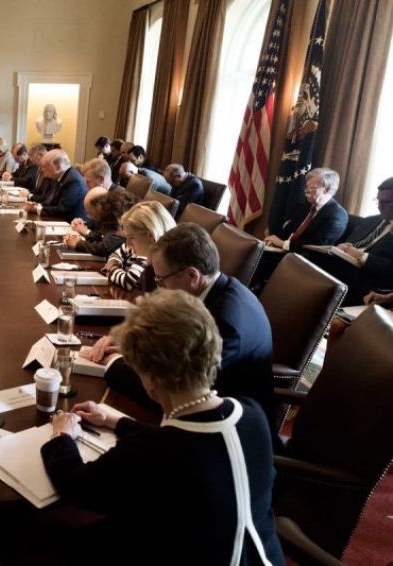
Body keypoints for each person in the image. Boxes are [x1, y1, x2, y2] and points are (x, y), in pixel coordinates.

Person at [43, 290, 283, 565]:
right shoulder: (251, 413)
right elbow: (189, 443)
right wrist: (115, 421)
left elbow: (76, 486)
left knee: (79, 540)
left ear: (151, 380)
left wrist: (62, 436)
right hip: (261, 556)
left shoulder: (148, 453)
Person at [90, 223, 275, 423]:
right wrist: (132, 346)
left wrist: (115, 363)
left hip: (232, 429)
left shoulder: (225, 320)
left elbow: (179, 393)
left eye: (161, 280)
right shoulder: (216, 290)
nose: (159, 288)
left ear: (192, 275)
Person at [303, 177, 393, 305]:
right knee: (307, 260)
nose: (379, 207)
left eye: (385, 202)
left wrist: (362, 257)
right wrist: (343, 247)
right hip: (343, 267)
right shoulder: (370, 221)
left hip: (368, 279)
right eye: (377, 201)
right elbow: (351, 243)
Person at [104, 200, 176, 291]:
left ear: (151, 236)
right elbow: (115, 255)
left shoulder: (153, 259)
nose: (127, 243)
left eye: (131, 237)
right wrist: (115, 263)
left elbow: (129, 283)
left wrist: (113, 268)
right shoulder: (137, 245)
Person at [64, 189, 136, 258]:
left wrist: (78, 244)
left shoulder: (117, 218)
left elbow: (105, 248)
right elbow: (101, 235)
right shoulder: (111, 217)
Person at [22, 149, 88, 222]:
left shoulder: (73, 180)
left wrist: (36, 208)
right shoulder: (61, 176)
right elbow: (50, 201)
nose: (42, 170)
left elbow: (63, 210)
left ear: (57, 166)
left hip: (71, 225)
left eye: (45, 166)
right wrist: (36, 205)